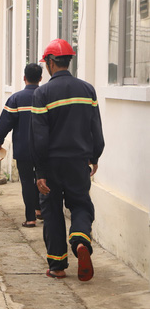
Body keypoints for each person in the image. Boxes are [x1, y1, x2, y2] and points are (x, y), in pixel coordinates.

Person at [31, 39, 105, 281]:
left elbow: (39, 136)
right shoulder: (88, 90)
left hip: (52, 164)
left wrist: (40, 170)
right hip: (78, 162)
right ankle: (80, 239)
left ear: (51, 63)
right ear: (68, 61)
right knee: (81, 204)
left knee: (51, 211)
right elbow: (96, 127)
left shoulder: (42, 93)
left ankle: (57, 266)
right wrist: (94, 156)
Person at [0, 63, 43, 228]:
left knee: (28, 182)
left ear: (24, 78)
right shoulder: (46, 97)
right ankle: (40, 209)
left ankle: (31, 218)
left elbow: (5, 122)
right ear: (41, 79)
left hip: (24, 149)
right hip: (44, 149)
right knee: (42, 178)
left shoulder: (16, 99)